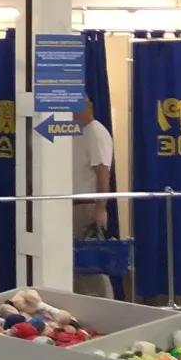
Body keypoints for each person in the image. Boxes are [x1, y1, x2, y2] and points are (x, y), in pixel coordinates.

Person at [72, 97, 115, 298]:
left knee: (90, 264)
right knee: (77, 266)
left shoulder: (96, 133)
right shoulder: (77, 132)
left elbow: (103, 173)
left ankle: (106, 304)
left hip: (86, 206)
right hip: (72, 205)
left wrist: (100, 208)